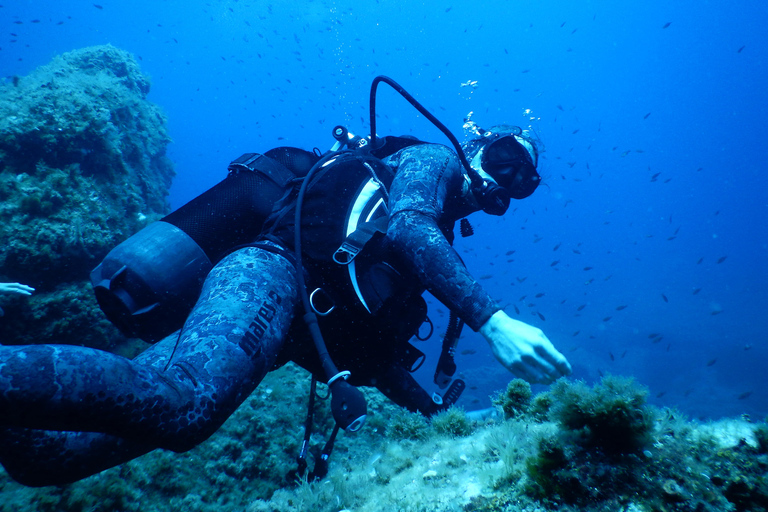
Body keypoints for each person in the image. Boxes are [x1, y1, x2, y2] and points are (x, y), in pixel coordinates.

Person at [0, 81, 570, 487]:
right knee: (187, 404)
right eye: (503, 158)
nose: (507, 178)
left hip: (283, 326)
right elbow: (409, 227)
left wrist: (435, 416)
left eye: (525, 180)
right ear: (473, 149)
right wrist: (492, 320)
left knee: (43, 458)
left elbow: (374, 356)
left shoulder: (425, 249)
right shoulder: (432, 163)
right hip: (267, 276)